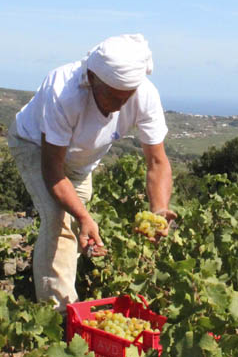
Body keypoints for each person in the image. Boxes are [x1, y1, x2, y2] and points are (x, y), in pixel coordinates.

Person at [7, 34, 176, 313]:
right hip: (35, 147)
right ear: (92, 77)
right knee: (59, 219)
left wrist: (159, 209)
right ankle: (58, 316)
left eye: (127, 96)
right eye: (112, 95)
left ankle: (55, 280)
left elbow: (157, 162)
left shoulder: (144, 94)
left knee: (76, 227)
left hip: (80, 161)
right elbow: (52, 170)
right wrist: (83, 215)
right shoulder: (63, 91)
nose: (120, 104)